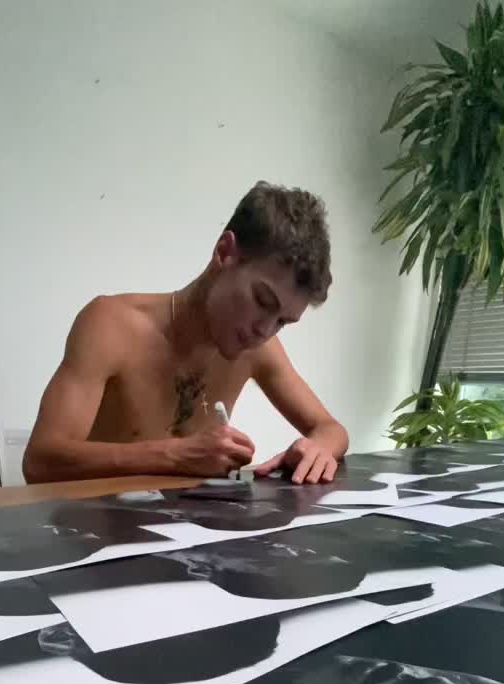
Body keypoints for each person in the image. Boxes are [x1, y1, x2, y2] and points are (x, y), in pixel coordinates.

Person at [23, 182, 348, 486]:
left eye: (282, 322)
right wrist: (175, 455)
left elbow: (331, 429)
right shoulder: (111, 325)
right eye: (262, 300)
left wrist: (316, 448)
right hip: (101, 524)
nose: (264, 330)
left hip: (197, 526)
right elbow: (40, 461)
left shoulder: (259, 348)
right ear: (224, 252)